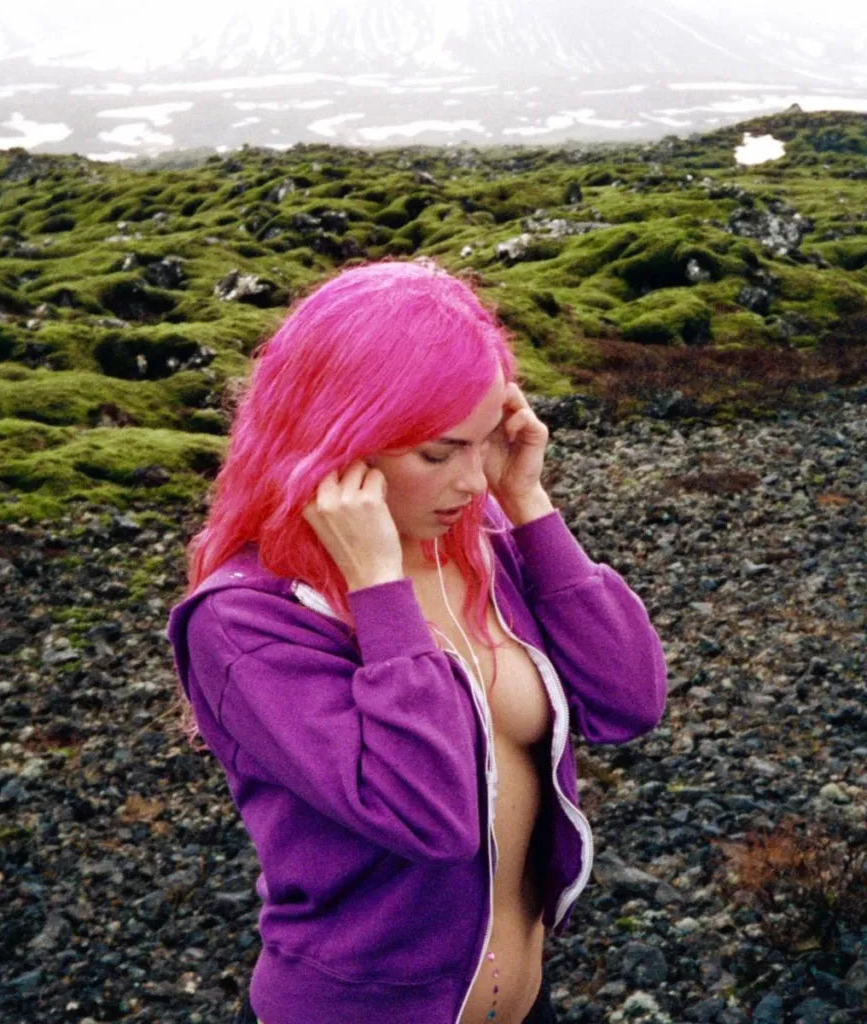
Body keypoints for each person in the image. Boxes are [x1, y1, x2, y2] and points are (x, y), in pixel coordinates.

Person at [166, 259, 666, 1024]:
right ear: (341, 441)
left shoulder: (481, 538)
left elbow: (628, 700)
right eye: (439, 454)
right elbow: (430, 815)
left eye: (484, 441)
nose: (471, 482)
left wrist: (528, 503)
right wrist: (378, 588)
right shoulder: (244, 620)